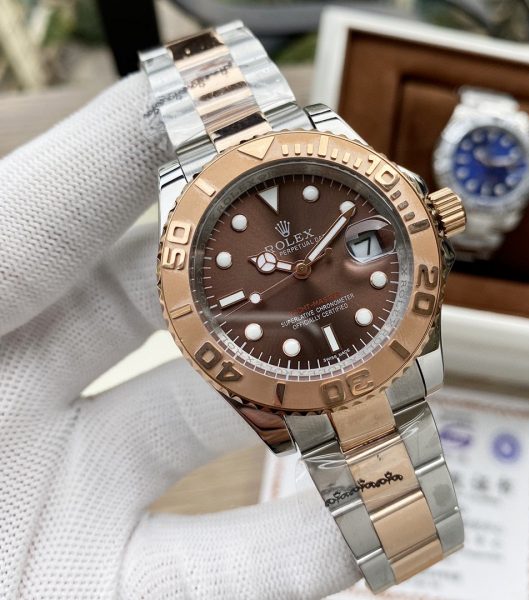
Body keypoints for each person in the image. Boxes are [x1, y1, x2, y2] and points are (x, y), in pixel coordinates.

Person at [0, 71, 359, 599]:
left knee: (212, 82)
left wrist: (209, 76)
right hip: (254, 329)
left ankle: (214, 74)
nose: (299, 268)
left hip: (303, 308)